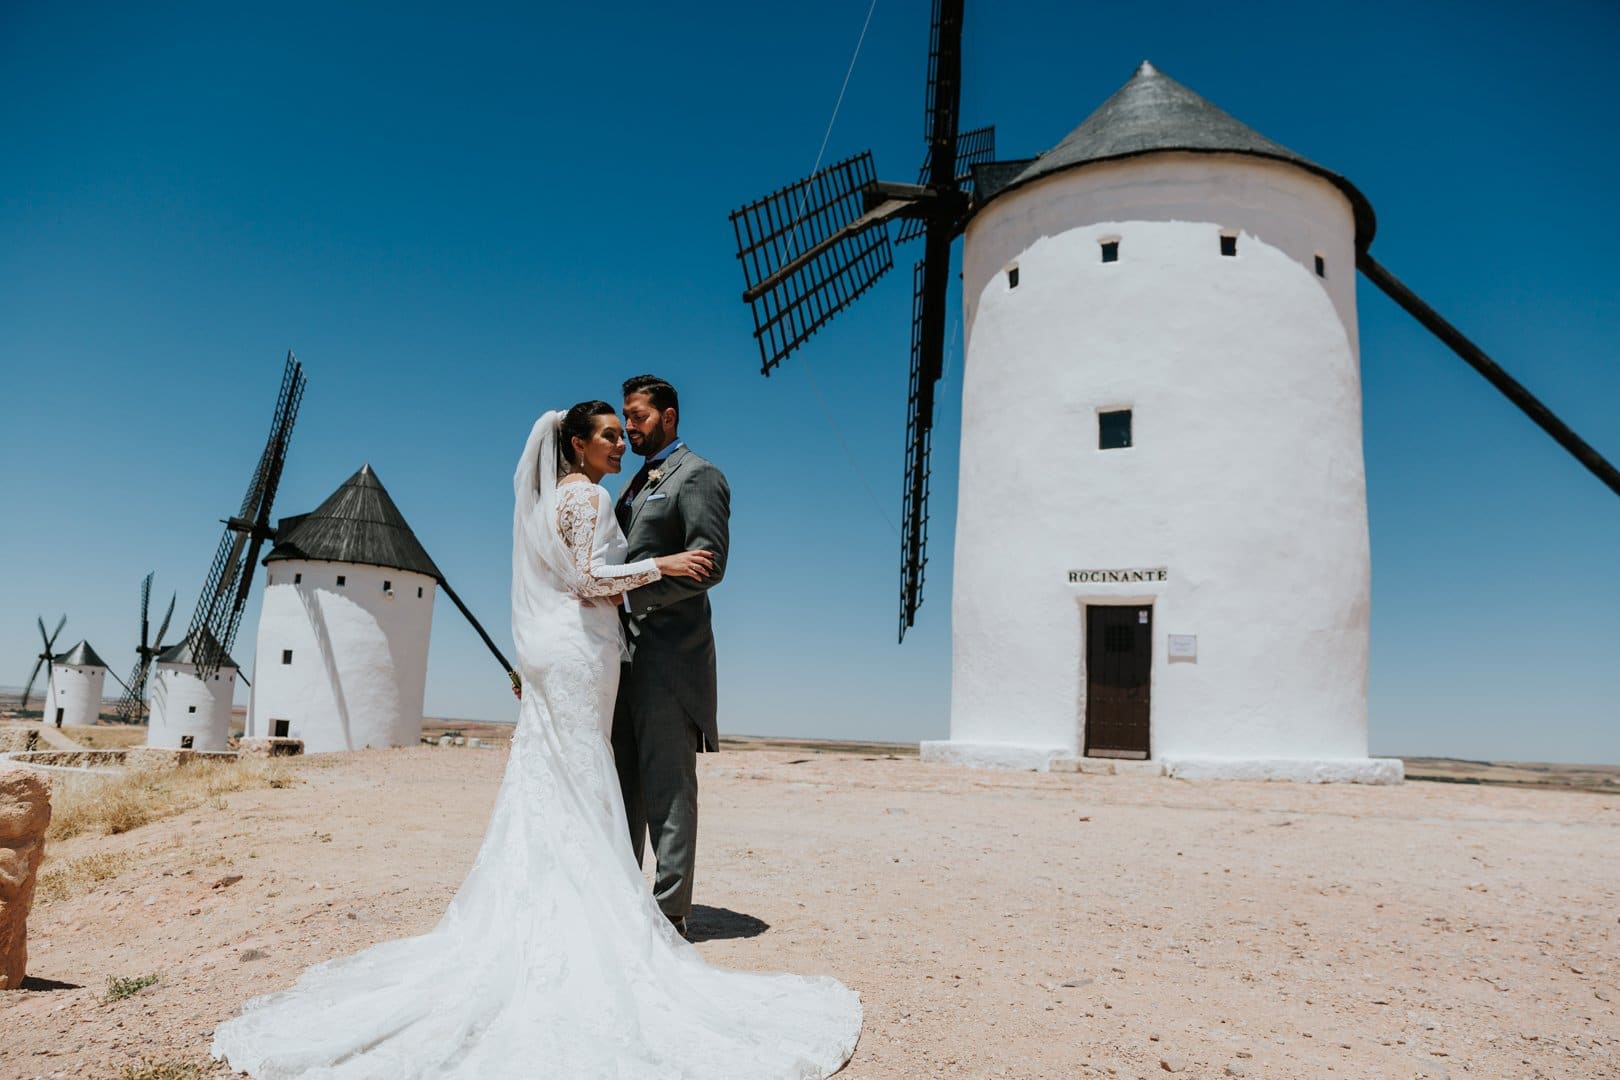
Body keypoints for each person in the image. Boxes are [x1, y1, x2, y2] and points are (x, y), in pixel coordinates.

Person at [210, 402, 861, 1079]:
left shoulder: (597, 490)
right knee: (585, 779)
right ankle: (612, 923)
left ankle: (598, 909)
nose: (621, 439)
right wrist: (664, 565)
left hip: (581, 651)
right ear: (577, 445)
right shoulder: (586, 497)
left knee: (571, 779)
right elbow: (587, 580)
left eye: (627, 426)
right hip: (582, 650)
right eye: (611, 431)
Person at [611, 374, 728, 937]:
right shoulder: (631, 485)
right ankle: (620, 902)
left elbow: (709, 563)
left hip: (669, 658)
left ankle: (670, 914)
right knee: (621, 785)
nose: (629, 427)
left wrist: (633, 590)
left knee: (669, 788)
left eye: (638, 416)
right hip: (621, 659)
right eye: (626, 417)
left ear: (670, 416)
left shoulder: (699, 475)